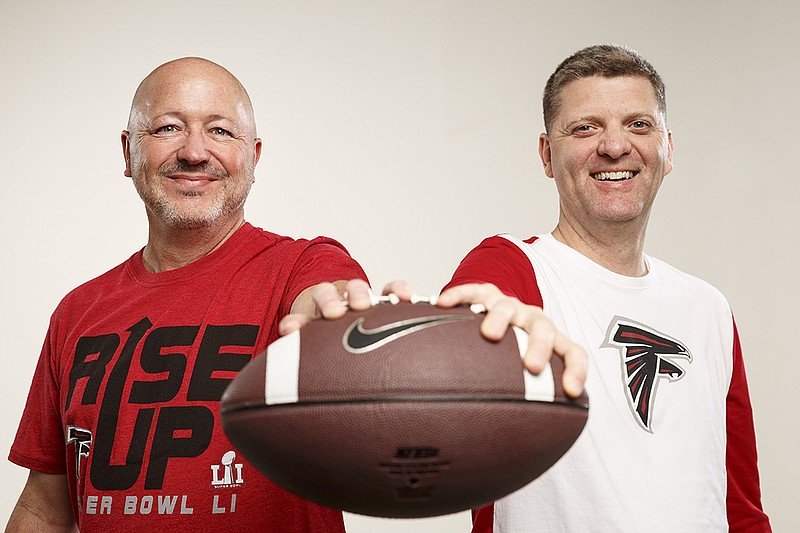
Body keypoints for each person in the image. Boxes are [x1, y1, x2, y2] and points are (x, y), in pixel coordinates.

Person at [6, 57, 587, 532]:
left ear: (252, 160)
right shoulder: (79, 312)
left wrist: (330, 318)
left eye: (221, 130)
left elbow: (331, 294)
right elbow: (46, 504)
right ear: (127, 153)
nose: (192, 150)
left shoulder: (300, 265)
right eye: (166, 128)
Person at [444, 45, 771, 532]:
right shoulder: (517, 268)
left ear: (669, 149)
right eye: (585, 127)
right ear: (546, 155)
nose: (615, 146)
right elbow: (465, 317)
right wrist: (465, 327)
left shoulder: (709, 309)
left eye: (639, 125)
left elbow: (739, 508)